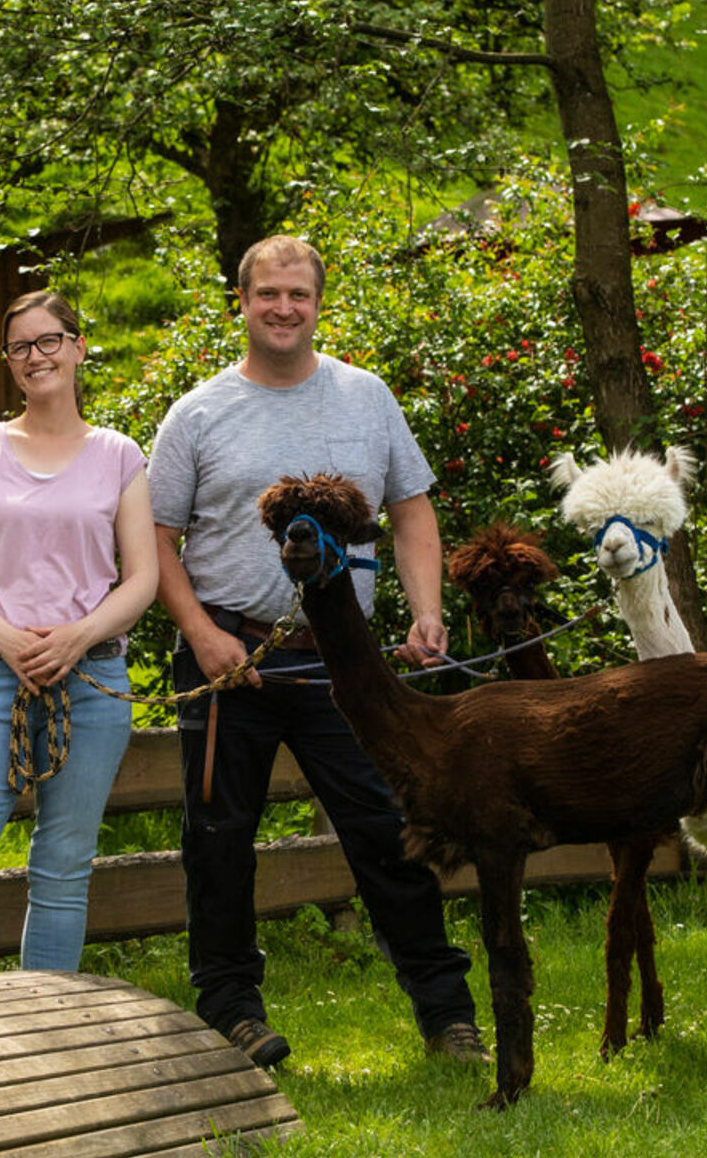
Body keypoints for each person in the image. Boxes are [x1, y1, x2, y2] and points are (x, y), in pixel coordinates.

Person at [148, 234, 487, 1069]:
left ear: (318, 302)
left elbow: (411, 512)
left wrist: (425, 611)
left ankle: (447, 1016)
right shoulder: (197, 413)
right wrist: (199, 631)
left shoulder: (365, 398)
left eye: (298, 294)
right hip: (231, 656)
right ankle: (232, 1008)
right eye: (268, 293)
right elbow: (152, 539)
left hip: (344, 660)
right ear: (242, 300)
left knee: (386, 830)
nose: (284, 307)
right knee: (220, 836)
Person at [0, 290, 159, 970]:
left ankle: (47, 1033)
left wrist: (77, 636)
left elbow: (141, 577)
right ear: (8, 362)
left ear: (78, 347)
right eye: (21, 346)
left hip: (92, 679)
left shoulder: (119, 455)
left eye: (50, 340)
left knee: (62, 872)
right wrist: (12, 641)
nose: (35, 356)